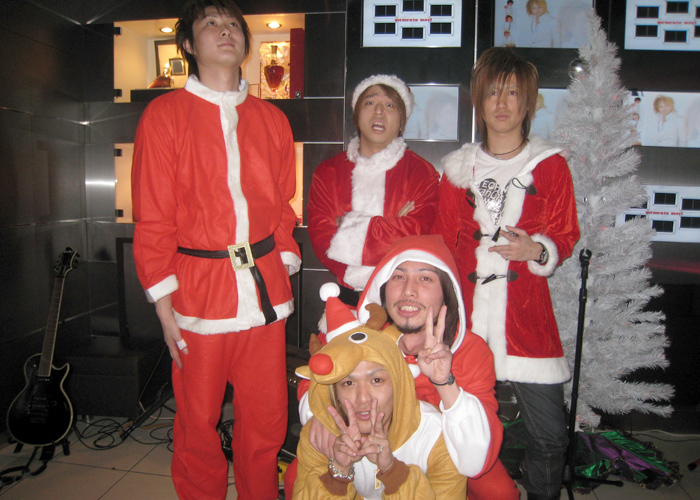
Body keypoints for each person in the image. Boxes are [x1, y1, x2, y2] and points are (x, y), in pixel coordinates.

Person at [131, 1, 301, 498]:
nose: (225, 31)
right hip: (197, 294)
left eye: (232, 25)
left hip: (264, 291)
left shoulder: (272, 119)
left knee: (267, 419)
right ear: (187, 43)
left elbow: (283, 204)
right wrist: (163, 302)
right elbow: (153, 213)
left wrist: (283, 256)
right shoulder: (164, 116)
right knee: (197, 420)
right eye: (211, 23)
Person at [434, 47, 580, 500]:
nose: (502, 103)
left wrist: (536, 249)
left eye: (513, 93)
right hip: (467, 319)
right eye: (493, 92)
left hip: (527, 321)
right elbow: (442, 243)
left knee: (550, 436)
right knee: (455, 427)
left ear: (528, 102)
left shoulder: (549, 164)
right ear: (479, 102)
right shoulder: (458, 170)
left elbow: (566, 233)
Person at [294, 235, 519, 499]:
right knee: (301, 474)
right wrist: (319, 414)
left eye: (425, 278)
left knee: (500, 493)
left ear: (447, 292)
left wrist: (444, 382)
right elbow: (313, 379)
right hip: (363, 438)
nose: (408, 291)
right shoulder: (355, 335)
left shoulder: (471, 351)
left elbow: (477, 457)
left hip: (441, 448)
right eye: (398, 277)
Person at [293, 306, 467, 499]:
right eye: (348, 383)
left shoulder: (436, 435)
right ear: (335, 392)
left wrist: (393, 473)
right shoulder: (319, 436)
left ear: (398, 383)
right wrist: (338, 475)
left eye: (376, 380)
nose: (363, 398)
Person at [306, 74, 439, 300]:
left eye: (389, 105)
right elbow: (323, 241)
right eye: (370, 102)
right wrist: (392, 225)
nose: (379, 111)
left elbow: (415, 237)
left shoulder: (421, 173)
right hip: (346, 300)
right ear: (357, 116)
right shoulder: (327, 172)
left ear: (402, 121)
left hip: (404, 302)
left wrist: (347, 225)